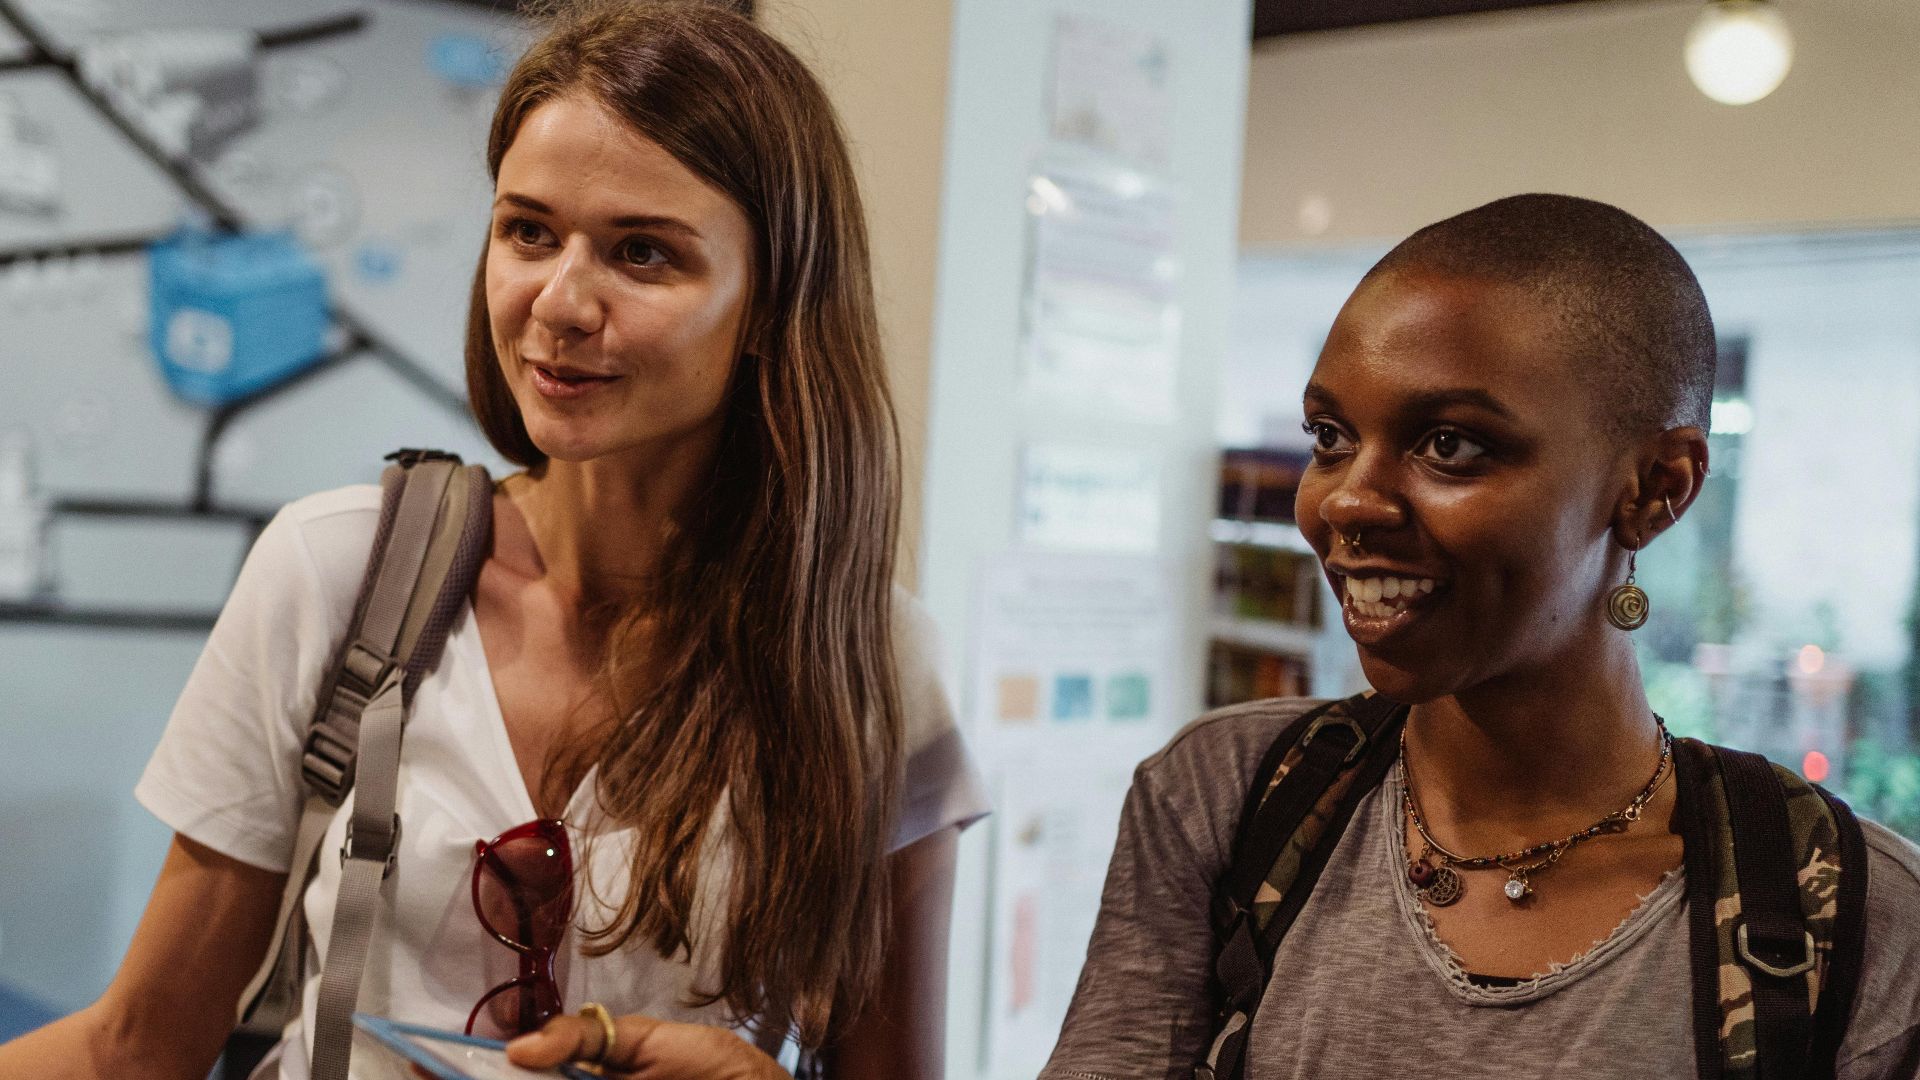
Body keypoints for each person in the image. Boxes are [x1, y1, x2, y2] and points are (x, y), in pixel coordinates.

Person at [0, 2, 987, 1077]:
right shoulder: (337, 573)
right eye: (529, 231)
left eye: (642, 253)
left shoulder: (870, 664)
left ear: (772, 302)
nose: (559, 302)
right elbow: (137, 1047)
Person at [1039, 194, 1920, 1079]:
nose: (1345, 501)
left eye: (1451, 445)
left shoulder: (1847, 914)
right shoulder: (1233, 799)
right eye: (1331, 437)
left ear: (1657, 487)